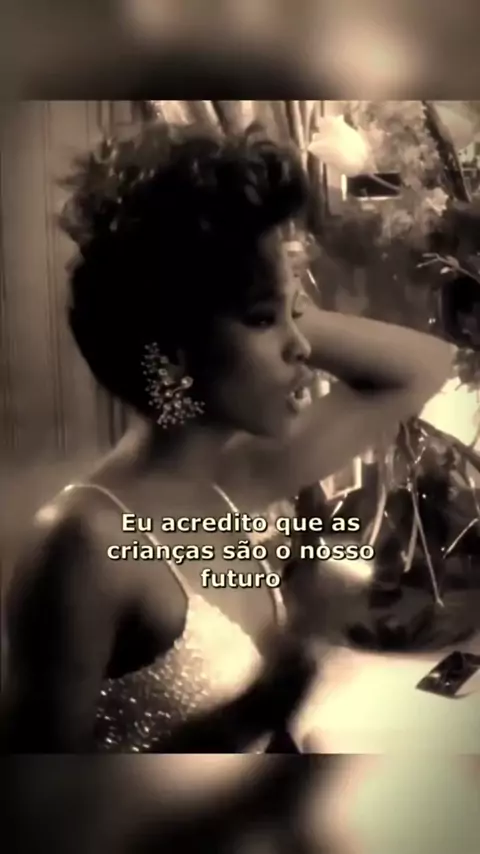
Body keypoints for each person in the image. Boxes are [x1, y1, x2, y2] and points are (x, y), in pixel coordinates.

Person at [2, 120, 451, 755]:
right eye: (263, 320)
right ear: (177, 347)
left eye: (293, 316)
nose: (302, 346)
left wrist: (278, 298)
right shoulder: (83, 546)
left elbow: (425, 368)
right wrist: (267, 700)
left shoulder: (235, 481)